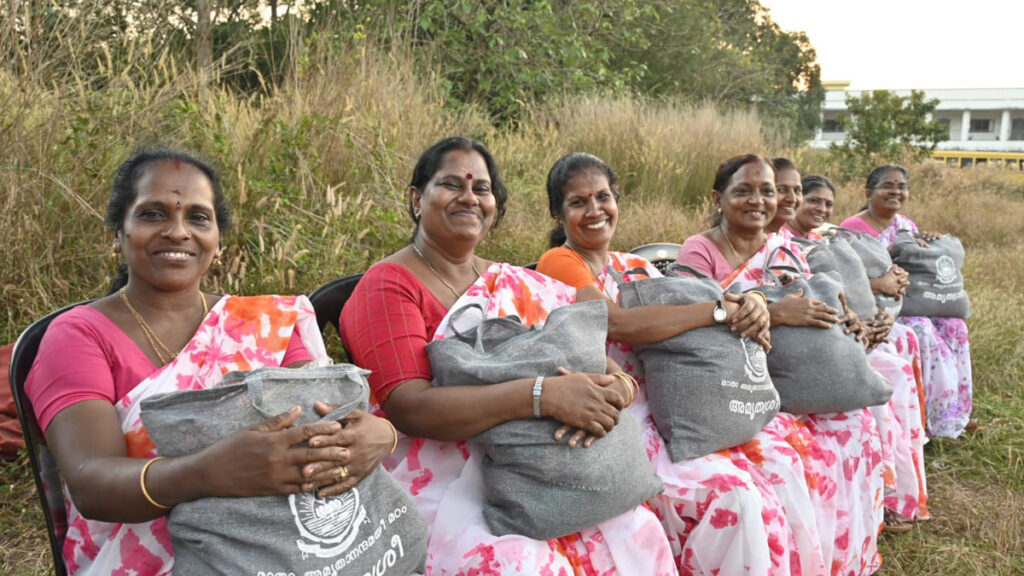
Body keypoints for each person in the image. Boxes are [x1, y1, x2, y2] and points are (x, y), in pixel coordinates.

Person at [24, 148, 397, 575]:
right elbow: (92, 485)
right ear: (118, 233)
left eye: (198, 217)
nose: (177, 231)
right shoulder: (79, 336)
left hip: (291, 547)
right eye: (152, 214)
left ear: (218, 241)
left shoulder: (264, 323)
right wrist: (206, 473)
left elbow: (323, 423)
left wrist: (382, 433)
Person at [339, 137, 677, 575]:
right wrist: (542, 396)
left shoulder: (511, 282)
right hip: (447, 474)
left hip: (554, 466)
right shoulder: (389, 285)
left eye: (481, 188)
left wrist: (617, 387)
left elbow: (598, 358)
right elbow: (410, 408)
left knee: (635, 531)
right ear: (416, 199)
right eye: (451, 185)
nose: (469, 197)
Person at [536, 152, 833, 576]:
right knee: (735, 495)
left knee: (782, 463)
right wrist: (718, 311)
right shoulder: (560, 262)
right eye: (579, 202)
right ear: (558, 212)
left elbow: (694, 310)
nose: (595, 210)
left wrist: (750, 307)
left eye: (603, 197)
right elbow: (616, 324)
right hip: (623, 413)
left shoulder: (631, 265)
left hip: (674, 396)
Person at [677, 154, 886, 575]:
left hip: (796, 380)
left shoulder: (783, 247)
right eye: (743, 191)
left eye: (767, 191)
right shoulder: (698, 251)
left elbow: (812, 300)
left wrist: (845, 324)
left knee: (856, 426)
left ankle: (840, 560)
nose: (757, 200)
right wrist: (776, 312)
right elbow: (692, 324)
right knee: (802, 453)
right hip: (740, 386)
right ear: (718, 199)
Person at [776, 168, 931, 526]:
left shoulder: (822, 238)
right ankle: (888, 496)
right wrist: (865, 310)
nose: (815, 206)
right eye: (810, 198)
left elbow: (842, 291)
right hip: (802, 341)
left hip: (833, 331)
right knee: (882, 376)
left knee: (898, 358)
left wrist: (875, 318)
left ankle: (897, 493)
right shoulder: (780, 240)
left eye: (823, 201)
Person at [840, 165, 973, 439]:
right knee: (921, 329)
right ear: (868, 193)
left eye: (902, 187)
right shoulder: (852, 228)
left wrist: (929, 241)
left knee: (954, 326)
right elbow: (846, 273)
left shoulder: (906, 225)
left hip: (912, 300)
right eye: (888, 186)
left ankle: (954, 414)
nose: (896, 192)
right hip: (877, 306)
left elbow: (920, 263)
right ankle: (922, 417)